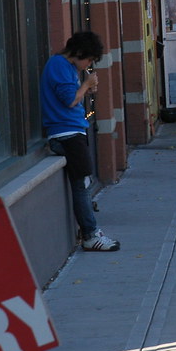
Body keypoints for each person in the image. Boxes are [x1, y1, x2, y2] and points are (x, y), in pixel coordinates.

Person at [40, 31, 119, 252]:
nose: (89, 64)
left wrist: (85, 87)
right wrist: (85, 86)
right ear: (79, 53)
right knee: (81, 185)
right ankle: (90, 234)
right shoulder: (59, 66)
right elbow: (69, 100)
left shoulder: (68, 67)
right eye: (90, 59)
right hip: (66, 134)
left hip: (72, 131)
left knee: (83, 184)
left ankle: (91, 231)